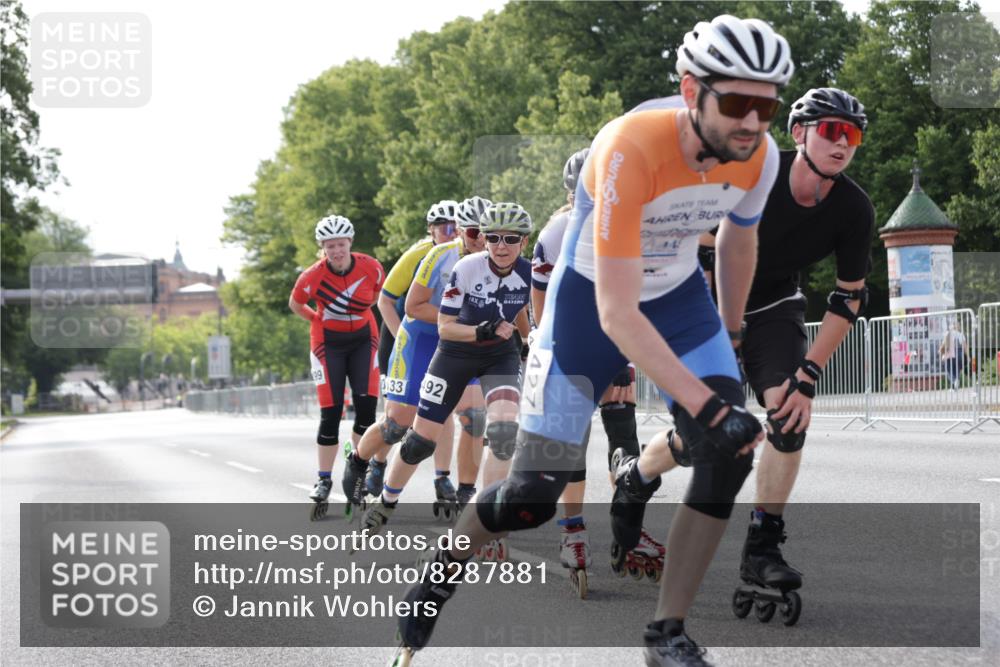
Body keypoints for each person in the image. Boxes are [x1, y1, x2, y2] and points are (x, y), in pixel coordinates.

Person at [394, 14, 791, 666]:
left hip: (681, 301)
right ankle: (439, 574)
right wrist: (709, 405)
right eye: (739, 102)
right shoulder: (629, 146)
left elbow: (738, 239)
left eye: (768, 106)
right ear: (692, 92)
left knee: (730, 451)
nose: (754, 122)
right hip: (589, 308)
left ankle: (667, 632)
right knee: (529, 500)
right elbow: (615, 310)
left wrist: (729, 335)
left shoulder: (761, 156)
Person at [630, 87, 873, 623]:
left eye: (852, 134)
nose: (842, 143)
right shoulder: (754, 173)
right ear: (799, 133)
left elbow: (848, 296)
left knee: (787, 415)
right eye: (831, 130)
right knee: (705, 441)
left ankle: (763, 545)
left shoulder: (854, 207)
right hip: (708, 304)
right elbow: (686, 236)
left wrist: (808, 377)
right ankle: (638, 474)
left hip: (775, 307)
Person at [359, 202, 532, 544]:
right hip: (455, 353)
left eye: (511, 239)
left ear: (523, 242)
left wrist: (525, 340)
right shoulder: (467, 267)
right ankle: (386, 502)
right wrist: (482, 330)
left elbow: (521, 307)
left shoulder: (529, 271)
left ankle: (488, 521)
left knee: (502, 433)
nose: (501, 246)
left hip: (498, 357)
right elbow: (445, 326)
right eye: (493, 237)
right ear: (482, 237)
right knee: (420, 441)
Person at [532, 147, 662, 597]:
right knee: (572, 447)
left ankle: (627, 529)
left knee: (625, 439)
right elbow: (541, 298)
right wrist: (547, 345)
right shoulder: (556, 231)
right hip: (570, 348)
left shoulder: (631, 223)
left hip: (614, 342)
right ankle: (573, 532)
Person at [342, 198, 493, 520]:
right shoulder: (437, 255)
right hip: (423, 338)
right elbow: (411, 306)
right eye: (472, 232)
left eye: (488, 233)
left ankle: (465, 493)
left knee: (474, 418)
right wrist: (458, 320)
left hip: (464, 342)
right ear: (460, 233)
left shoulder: (499, 257)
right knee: (398, 425)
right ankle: (358, 460)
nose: (481, 240)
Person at [288, 215, 384, 520]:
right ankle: (324, 479)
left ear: (350, 243)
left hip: (363, 340)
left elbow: (380, 297)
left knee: (367, 411)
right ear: (323, 248)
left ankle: (359, 470)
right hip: (327, 343)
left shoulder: (371, 266)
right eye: (330, 246)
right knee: (330, 413)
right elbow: (295, 304)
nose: (337, 251)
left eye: (341, 245)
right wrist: (317, 318)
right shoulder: (311, 277)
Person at [368, 201, 460, 502]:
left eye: (456, 227)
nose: (451, 233)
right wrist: (400, 340)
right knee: (396, 417)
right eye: (444, 228)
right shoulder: (420, 254)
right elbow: (385, 300)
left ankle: (442, 477)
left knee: (441, 408)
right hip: (402, 334)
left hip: (442, 337)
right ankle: (377, 461)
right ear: (431, 231)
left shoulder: (465, 254)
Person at [940, 321, 967, 391]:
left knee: (949, 369)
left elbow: (943, 344)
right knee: (956, 370)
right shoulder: (961, 335)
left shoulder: (948, 333)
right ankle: (955, 386)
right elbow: (964, 346)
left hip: (949, 353)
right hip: (959, 353)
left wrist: (941, 351)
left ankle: (954, 382)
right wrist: (967, 356)